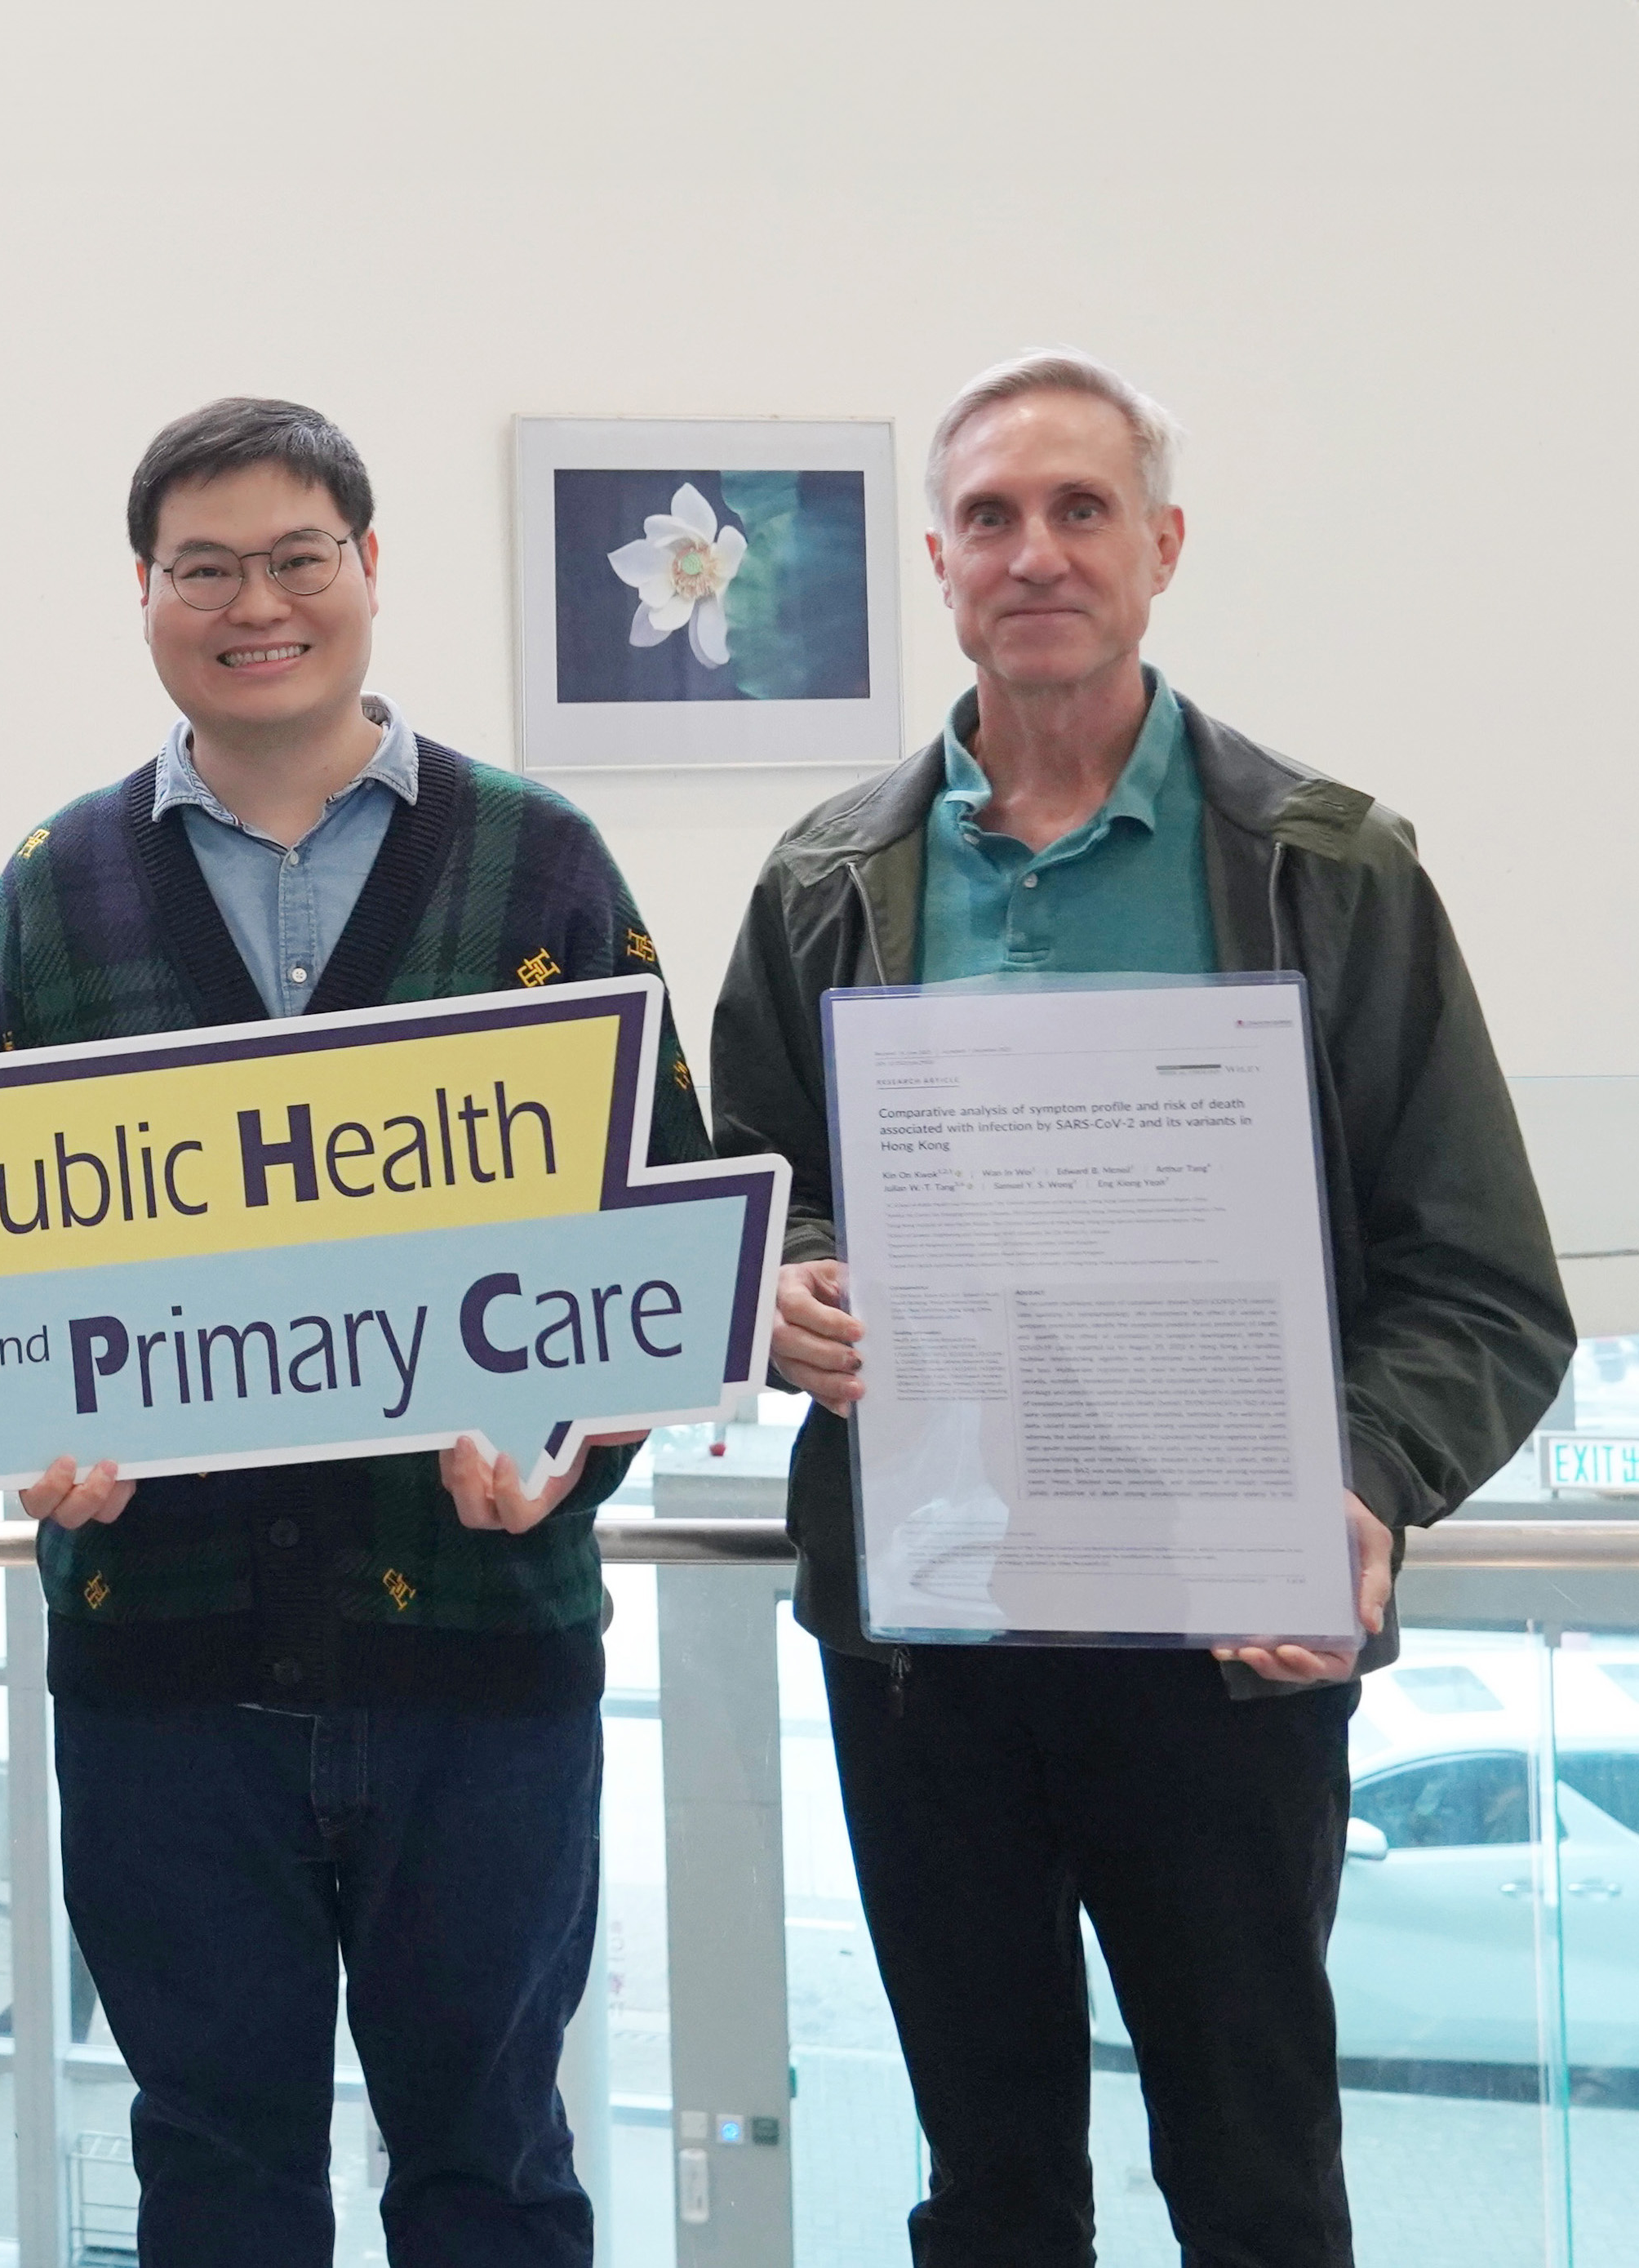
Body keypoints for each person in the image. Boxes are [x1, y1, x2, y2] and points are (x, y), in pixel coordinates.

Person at [708, 348, 1575, 2263]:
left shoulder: (1322, 869)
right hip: (927, 1650)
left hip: (1226, 1638)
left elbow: (1484, 1284)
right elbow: (747, 1219)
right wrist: (785, 1298)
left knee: (1254, 2176)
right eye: (993, 519)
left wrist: (1348, 1488)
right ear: (935, 561)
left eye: (1078, 510)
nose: (1034, 554)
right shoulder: (820, 884)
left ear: (1159, 548)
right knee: (990, 2185)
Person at [0, 398, 708, 2266]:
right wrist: (31, 1421)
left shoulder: (537, 861)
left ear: (368, 570)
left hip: (478, 1659)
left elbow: (664, 1232)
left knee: (491, 2177)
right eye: (201, 567)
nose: (252, 602)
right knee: (210, 2179)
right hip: (163, 1680)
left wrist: (571, 1437)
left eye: (296, 557)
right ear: (142, 594)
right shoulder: (54, 890)